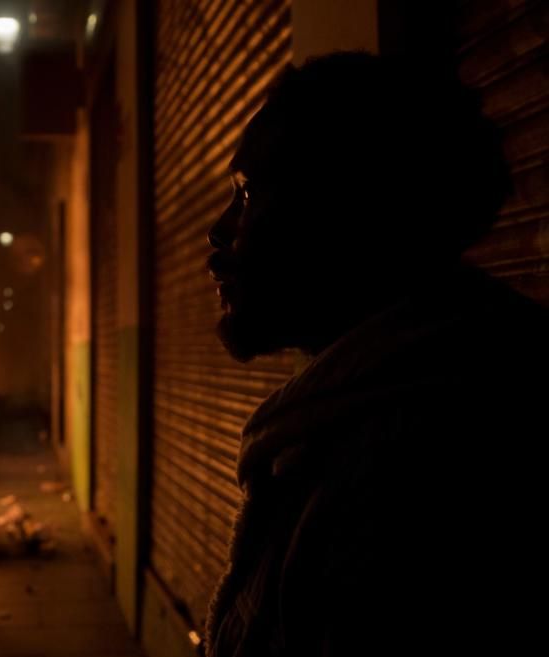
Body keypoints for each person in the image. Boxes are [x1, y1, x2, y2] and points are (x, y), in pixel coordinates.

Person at [204, 52, 548, 656]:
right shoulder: (359, 418)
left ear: (345, 213)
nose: (217, 235)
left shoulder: (416, 475)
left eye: (248, 193)